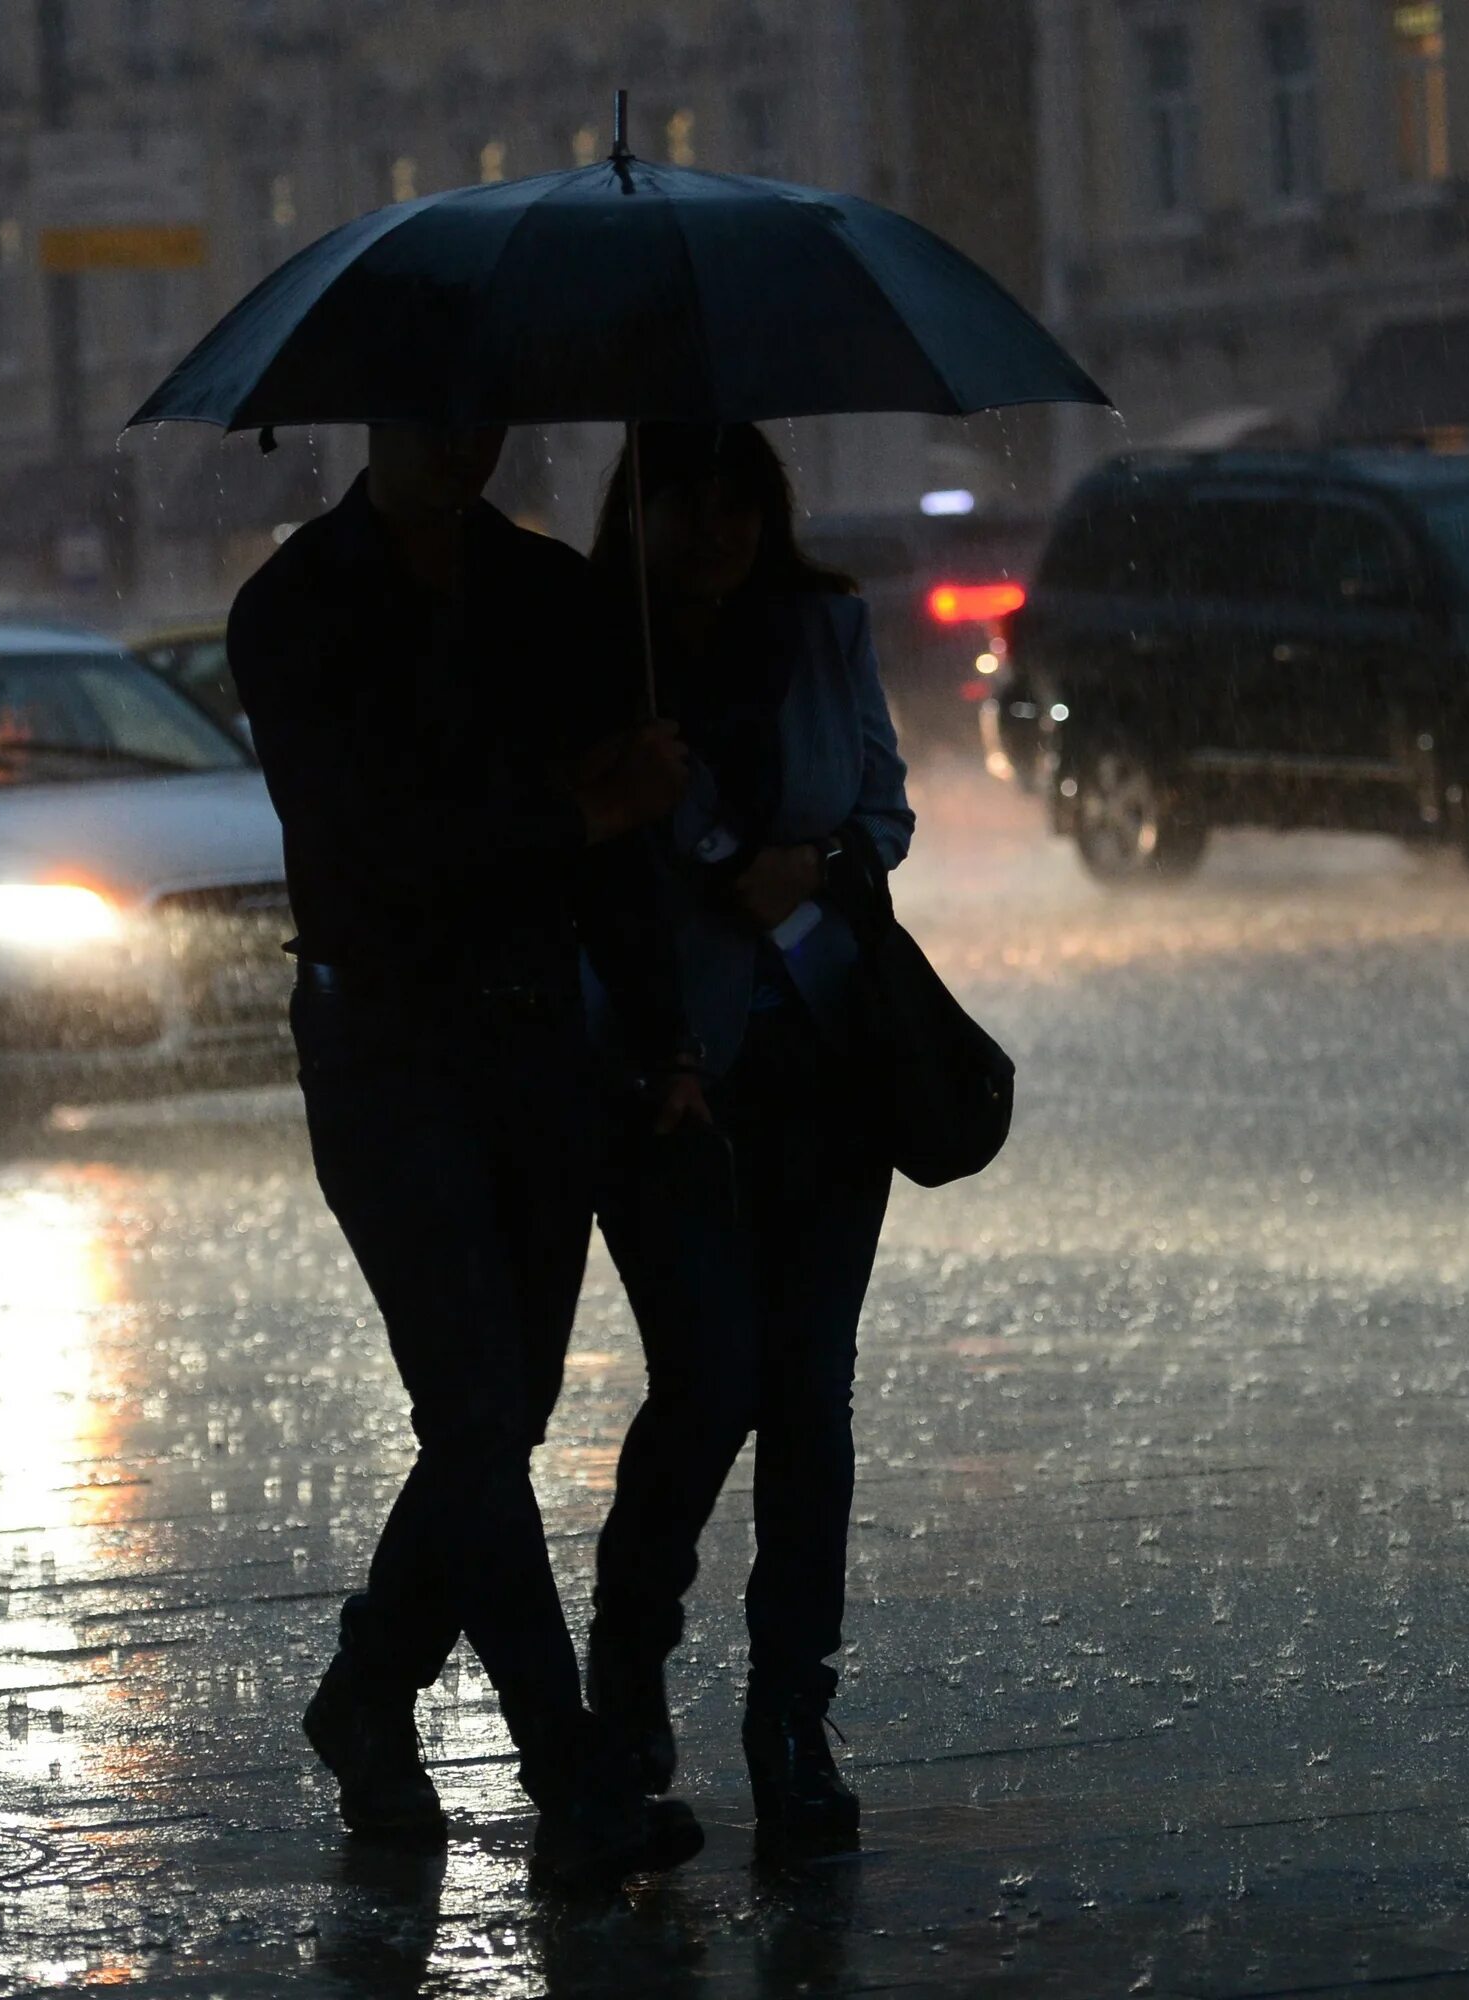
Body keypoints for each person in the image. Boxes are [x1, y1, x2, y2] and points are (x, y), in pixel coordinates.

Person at [225, 422, 704, 1886]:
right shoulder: (295, 606)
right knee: (478, 1403)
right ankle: (570, 1771)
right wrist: (571, 811)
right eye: (427, 406)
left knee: (506, 1407)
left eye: (480, 404)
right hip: (384, 1051)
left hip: (531, 1044)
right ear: (373, 420)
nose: (459, 435)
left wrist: (670, 1038)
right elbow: (364, 840)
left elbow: (618, 851)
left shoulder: (549, 594)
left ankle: (369, 1693)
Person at [581, 423, 914, 1854]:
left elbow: (886, 807)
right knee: (710, 1380)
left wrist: (812, 867)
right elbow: (597, 854)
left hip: (831, 1062)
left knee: (813, 1393)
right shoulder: (601, 653)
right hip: (672, 1071)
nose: (714, 529)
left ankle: (793, 1715)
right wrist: (716, 861)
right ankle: (629, 1657)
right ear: (639, 516)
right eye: (683, 503)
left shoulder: (825, 627)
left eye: (740, 500)